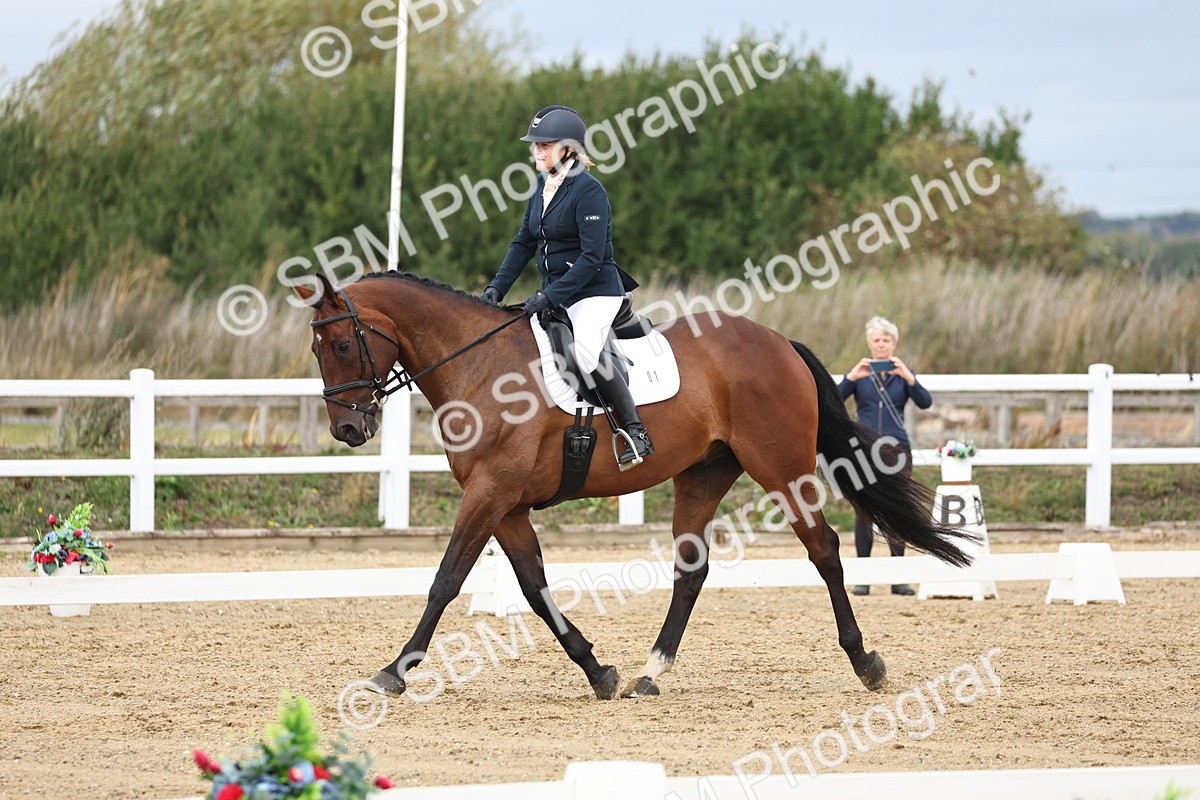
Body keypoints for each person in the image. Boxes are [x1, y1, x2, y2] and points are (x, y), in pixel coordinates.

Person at [481, 105, 653, 468]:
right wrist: (497, 288)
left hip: (595, 292)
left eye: (545, 145)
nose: (536, 152)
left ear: (569, 148)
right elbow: (523, 243)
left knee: (587, 353)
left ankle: (635, 432)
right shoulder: (542, 187)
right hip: (559, 292)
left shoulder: (589, 191)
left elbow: (592, 258)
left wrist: (548, 296)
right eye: (536, 145)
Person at [838, 316, 933, 596]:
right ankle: (863, 578)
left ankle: (897, 577)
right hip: (864, 448)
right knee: (863, 510)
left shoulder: (903, 374)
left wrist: (909, 377)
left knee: (897, 508)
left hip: (896, 448)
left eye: (886, 340)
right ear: (870, 343)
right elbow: (835, 398)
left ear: (894, 343)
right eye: (877, 340)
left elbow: (926, 402)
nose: (881, 344)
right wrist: (850, 377)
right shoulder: (860, 374)